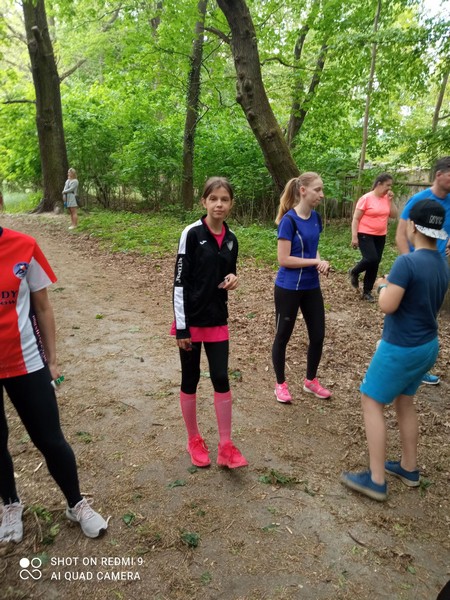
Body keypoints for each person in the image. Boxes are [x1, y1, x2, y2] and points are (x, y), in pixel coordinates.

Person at [0, 225, 108, 542]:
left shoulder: (24, 245)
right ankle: (10, 504)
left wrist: (52, 359)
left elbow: (43, 307)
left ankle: (76, 504)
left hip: (27, 361)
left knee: (50, 438)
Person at [341, 200, 449, 501]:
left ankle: (376, 480)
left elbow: (388, 305)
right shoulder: (441, 263)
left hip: (402, 346)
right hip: (428, 345)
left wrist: (382, 286)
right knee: (405, 401)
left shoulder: (408, 262)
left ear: (412, 226)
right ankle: (409, 467)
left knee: (371, 401)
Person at [172, 177, 248, 469]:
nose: (219, 204)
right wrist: (181, 327)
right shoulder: (191, 234)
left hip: (217, 320)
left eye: (224, 199)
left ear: (230, 204)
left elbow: (229, 272)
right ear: (203, 201)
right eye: (213, 198)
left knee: (220, 377)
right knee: (190, 380)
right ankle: (194, 439)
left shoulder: (231, 239)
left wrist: (233, 279)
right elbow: (180, 283)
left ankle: (226, 445)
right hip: (191, 322)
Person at [272, 172, 331, 404]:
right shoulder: (289, 221)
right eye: (318, 190)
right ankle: (280, 385)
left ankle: (310, 381)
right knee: (282, 336)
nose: (322, 194)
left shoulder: (316, 218)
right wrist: (315, 262)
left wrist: (320, 260)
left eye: (322, 189)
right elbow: (284, 259)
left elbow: (312, 248)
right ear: (303, 191)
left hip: (311, 287)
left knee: (318, 335)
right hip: (288, 288)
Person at [395, 156, 450, 385]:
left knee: (430, 315)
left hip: (438, 267)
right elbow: (400, 235)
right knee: (405, 313)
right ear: (439, 175)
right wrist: (411, 265)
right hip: (415, 267)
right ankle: (396, 358)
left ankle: (420, 367)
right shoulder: (419, 200)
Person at [349, 173, 397, 302]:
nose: (389, 188)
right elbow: (356, 218)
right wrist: (354, 236)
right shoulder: (366, 198)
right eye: (387, 185)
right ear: (379, 184)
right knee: (371, 258)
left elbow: (394, 215)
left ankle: (367, 292)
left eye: (390, 186)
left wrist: (391, 200)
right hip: (365, 233)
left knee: (375, 263)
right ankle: (354, 271)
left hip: (380, 235)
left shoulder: (387, 198)